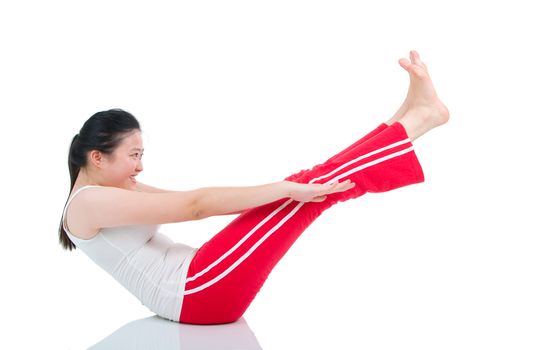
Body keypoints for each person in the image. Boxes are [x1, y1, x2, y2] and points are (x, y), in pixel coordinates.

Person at [59, 50, 449, 325]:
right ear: (97, 157)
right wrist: (283, 189)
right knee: (308, 191)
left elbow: (196, 204)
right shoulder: (87, 204)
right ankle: (420, 121)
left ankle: (408, 118)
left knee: (307, 184)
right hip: (197, 292)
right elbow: (195, 207)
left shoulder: (111, 193)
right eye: (133, 155)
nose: (140, 166)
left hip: (200, 280)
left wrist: (282, 189)